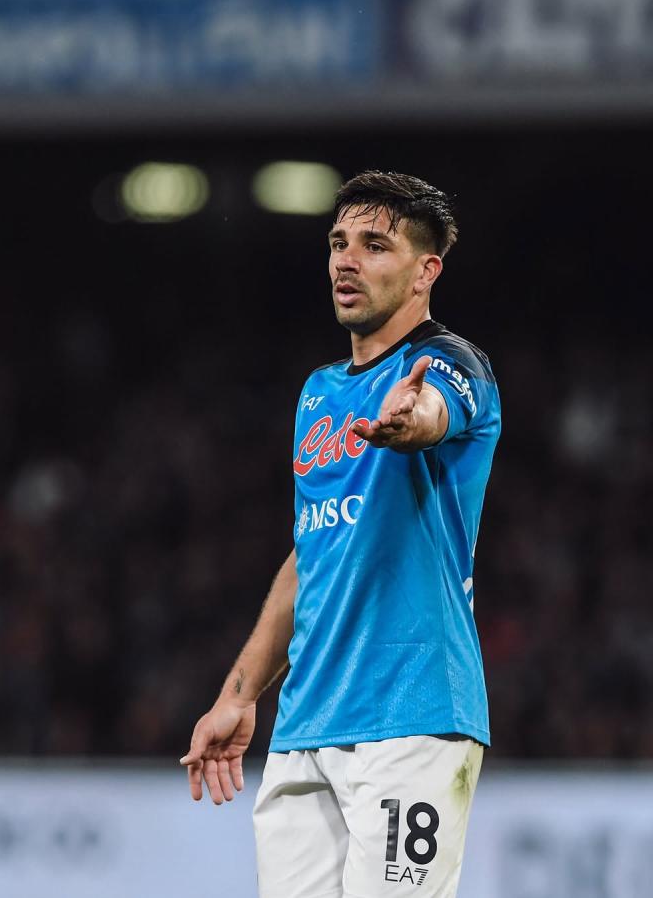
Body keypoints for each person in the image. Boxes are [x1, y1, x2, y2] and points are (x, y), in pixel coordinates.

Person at [181, 171, 501, 897]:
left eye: (374, 245)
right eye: (337, 243)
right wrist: (240, 692)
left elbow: (434, 412)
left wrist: (409, 422)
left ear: (426, 271)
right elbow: (313, 551)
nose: (345, 261)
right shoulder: (318, 393)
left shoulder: (453, 364)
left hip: (412, 718)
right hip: (304, 727)